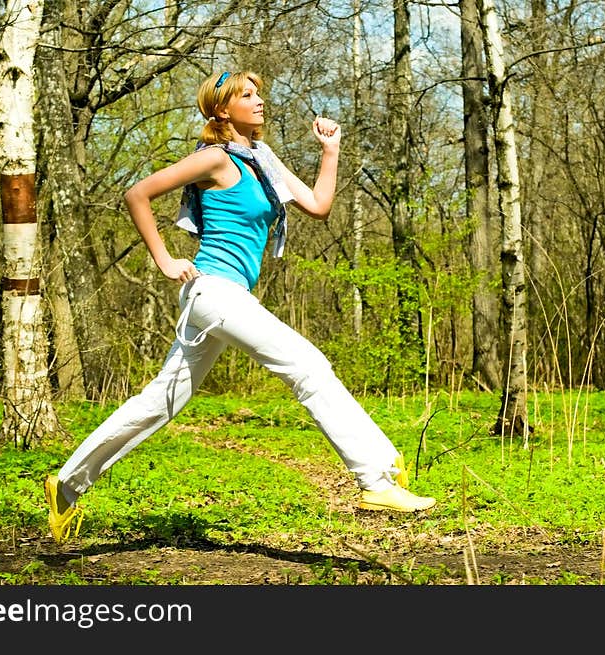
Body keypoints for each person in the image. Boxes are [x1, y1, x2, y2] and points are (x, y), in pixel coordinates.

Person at [44, 70, 436, 544]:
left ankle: (66, 484)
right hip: (215, 292)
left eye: (259, 93)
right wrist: (165, 259)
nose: (260, 101)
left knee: (161, 401)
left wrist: (329, 152)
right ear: (222, 111)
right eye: (247, 96)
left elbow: (317, 205)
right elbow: (137, 194)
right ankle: (376, 479)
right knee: (308, 366)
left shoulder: (261, 161)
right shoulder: (214, 159)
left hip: (226, 299)